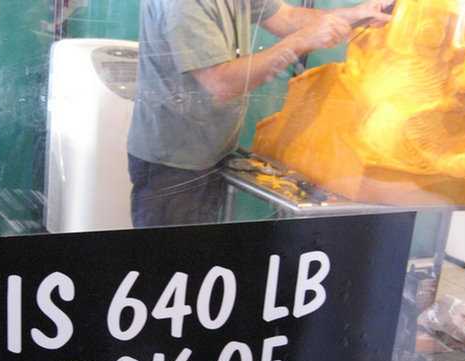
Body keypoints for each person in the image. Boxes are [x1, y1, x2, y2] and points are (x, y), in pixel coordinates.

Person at [126, 0, 392, 228]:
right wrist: (300, 42)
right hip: (174, 163)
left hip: (211, 151)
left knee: (196, 264)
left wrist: (352, 15)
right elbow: (221, 82)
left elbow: (286, 18)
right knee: (169, 271)